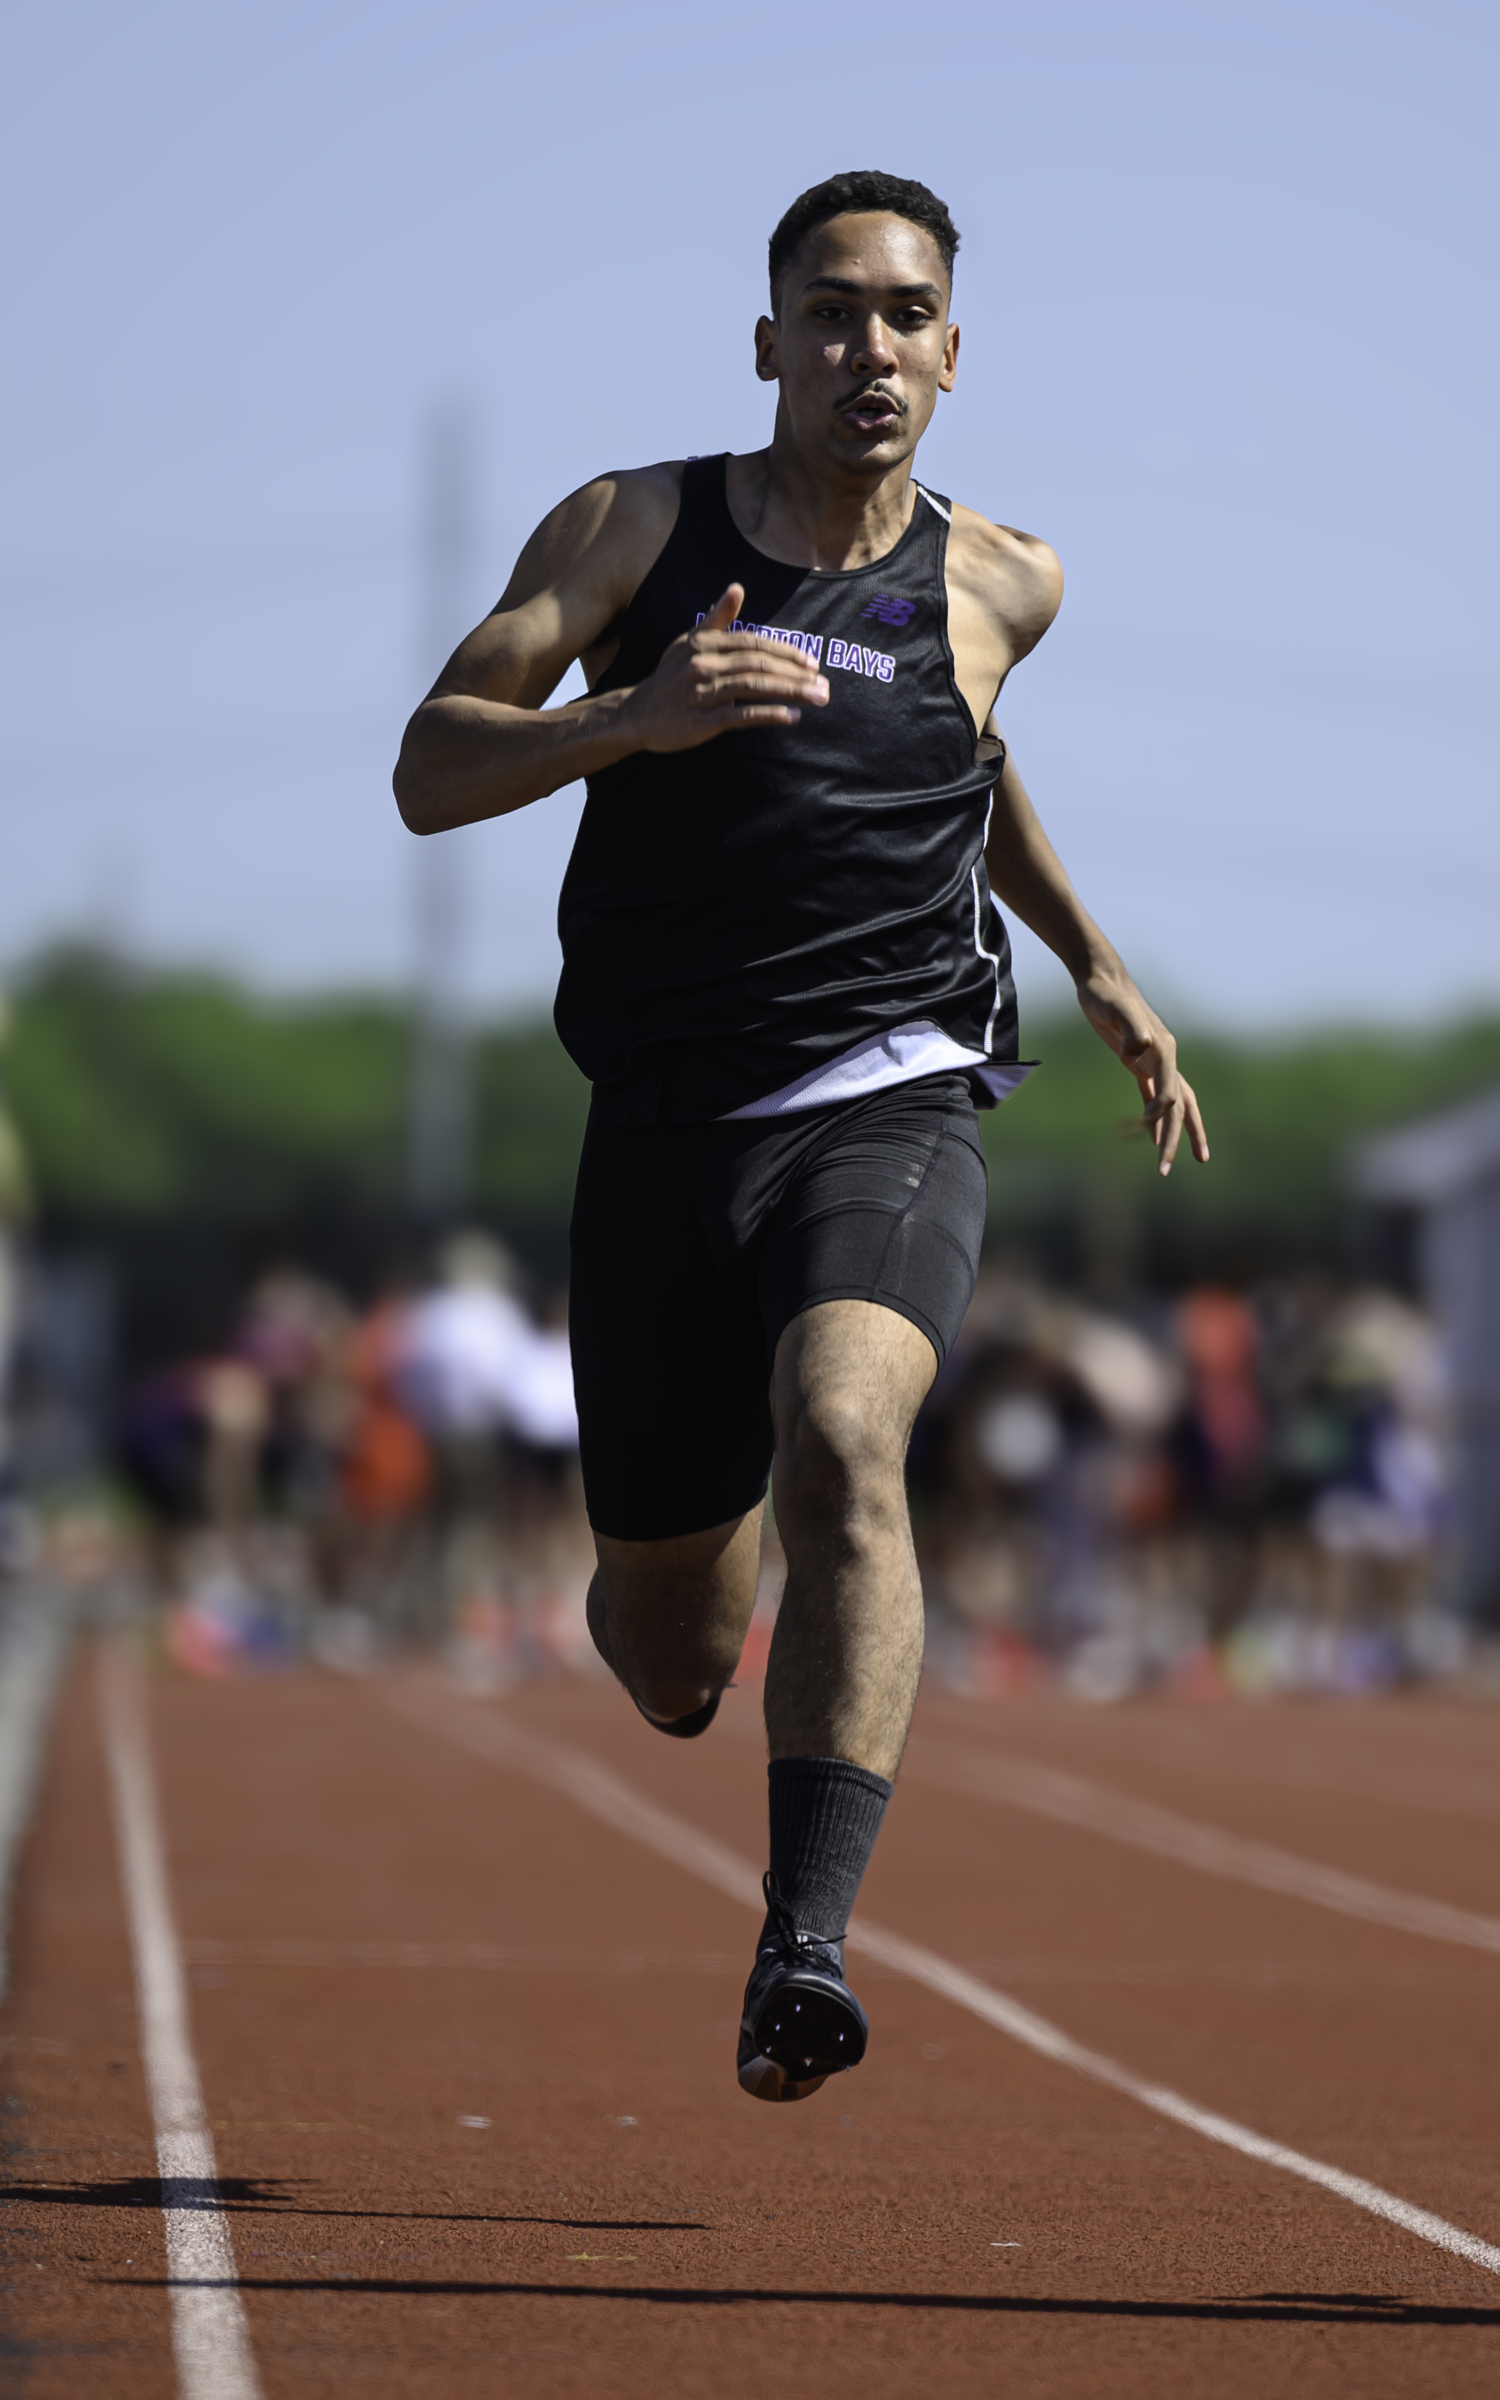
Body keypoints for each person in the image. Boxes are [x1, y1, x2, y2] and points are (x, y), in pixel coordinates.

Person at [394, 169, 1208, 2104]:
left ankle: (803, 1951)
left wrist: (1095, 960)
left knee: (850, 1429)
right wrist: (634, 717)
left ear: (953, 354)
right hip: (660, 1123)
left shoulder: (1006, 579)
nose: (870, 348)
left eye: (906, 316)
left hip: (888, 1089)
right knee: (674, 1658)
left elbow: (964, 765)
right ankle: (707, 1566)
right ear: (769, 343)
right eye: (831, 314)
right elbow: (430, 767)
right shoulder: (634, 530)